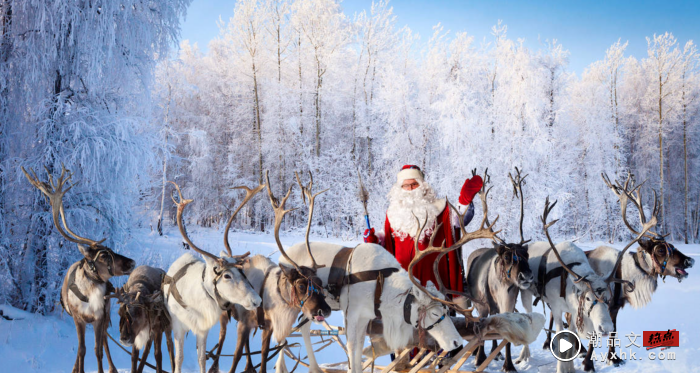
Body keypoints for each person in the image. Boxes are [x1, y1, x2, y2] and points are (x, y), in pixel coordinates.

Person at [364, 165, 483, 303]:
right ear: (400, 188)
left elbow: (458, 220)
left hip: (435, 279)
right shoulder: (393, 212)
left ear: (422, 185)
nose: (410, 189)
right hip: (402, 280)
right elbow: (386, 237)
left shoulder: (440, 208)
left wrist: (464, 201)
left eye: (414, 184)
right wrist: (375, 239)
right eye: (406, 185)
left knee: (435, 315)